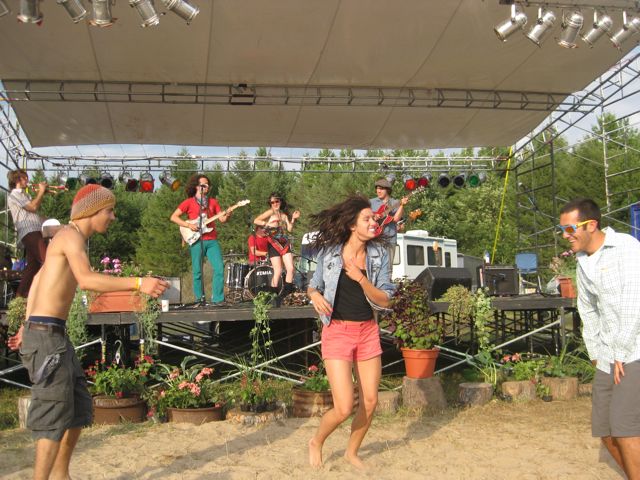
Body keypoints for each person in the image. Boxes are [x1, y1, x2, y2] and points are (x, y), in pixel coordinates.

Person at [8, 184, 169, 480]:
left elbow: (39, 281)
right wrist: (138, 283)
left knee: (78, 408)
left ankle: (61, 475)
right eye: (109, 210)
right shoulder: (70, 237)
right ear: (92, 211)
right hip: (46, 337)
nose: (113, 217)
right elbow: (86, 280)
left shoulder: (67, 238)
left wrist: (25, 325)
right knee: (53, 413)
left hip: (51, 335)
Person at [306, 195, 396, 469]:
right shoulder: (330, 253)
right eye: (367, 219)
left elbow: (385, 299)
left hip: (367, 331)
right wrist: (314, 295)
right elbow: (313, 284)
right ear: (352, 225)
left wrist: (360, 278)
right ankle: (316, 442)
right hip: (337, 332)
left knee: (370, 401)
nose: (373, 222)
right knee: (344, 407)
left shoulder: (380, 255)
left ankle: (351, 452)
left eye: (374, 218)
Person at [559, 198, 640, 479]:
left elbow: (633, 304)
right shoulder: (583, 261)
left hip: (633, 351)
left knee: (625, 427)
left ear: (591, 225)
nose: (565, 236)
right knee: (605, 429)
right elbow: (588, 309)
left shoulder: (626, 248)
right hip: (607, 356)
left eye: (570, 229)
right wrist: (595, 353)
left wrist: (621, 352)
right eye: (562, 230)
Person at [170, 174, 231, 305]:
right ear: (197, 187)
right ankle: (199, 298)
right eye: (203, 185)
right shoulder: (188, 202)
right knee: (197, 271)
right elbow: (174, 217)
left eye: (208, 185)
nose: (206, 187)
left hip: (212, 240)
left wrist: (228, 214)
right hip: (197, 240)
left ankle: (218, 299)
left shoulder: (213, 202)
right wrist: (188, 225)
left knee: (219, 268)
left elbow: (222, 219)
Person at [6, 169, 47, 298]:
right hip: (29, 232)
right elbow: (33, 207)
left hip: (33, 231)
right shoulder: (15, 195)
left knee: (32, 267)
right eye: (24, 178)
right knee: (48, 260)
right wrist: (41, 192)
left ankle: (20, 298)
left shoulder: (24, 195)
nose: (27, 180)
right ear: (17, 180)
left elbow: (33, 215)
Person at [253, 193, 300, 296]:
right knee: (278, 271)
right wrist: (267, 224)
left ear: (280, 202)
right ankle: (273, 295)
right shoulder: (270, 212)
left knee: (291, 269)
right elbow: (256, 220)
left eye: (277, 201)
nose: (275, 204)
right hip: (273, 244)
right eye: (272, 202)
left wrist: (293, 219)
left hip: (284, 243)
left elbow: (289, 229)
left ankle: (286, 294)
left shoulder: (283, 215)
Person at [369, 178, 408, 274]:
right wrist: (373, 216)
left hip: (390, 240)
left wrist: (402, 205)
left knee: (388, 269)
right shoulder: (371, 202)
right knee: (372, 267)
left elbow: (396, 219)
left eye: (381, 189)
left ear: (387, 190)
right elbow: (363, 216)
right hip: (374, 239)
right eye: (377, 188)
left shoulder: (395, 202)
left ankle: (387, 284)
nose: (378, 191)